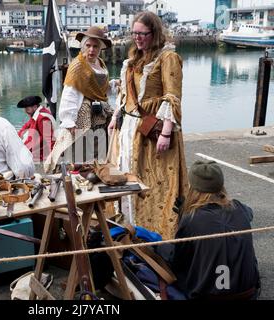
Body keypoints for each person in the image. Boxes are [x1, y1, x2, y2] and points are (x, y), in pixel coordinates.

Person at [108, 12, 188, 239]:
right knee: (128, 175)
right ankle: (129, 225)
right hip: (130, 129)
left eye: (143, 34)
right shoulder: (133, 59)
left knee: (154, 183)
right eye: (134, 33)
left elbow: (173, 96)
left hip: (153, 132)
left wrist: (165, 133)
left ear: (155, 33)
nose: (138, 38)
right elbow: (125, 95)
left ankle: (155, 233)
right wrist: (115, 117)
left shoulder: (167, 58)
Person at [171, 160, 260, 300]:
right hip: (248, 293)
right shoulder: (240, 208)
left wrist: (183, 215)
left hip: (207, 295)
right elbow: (248, 214)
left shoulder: (191, 219)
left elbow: (178, 259)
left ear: (193, 188)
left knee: (168, 256)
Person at [44, 26, 115, 172]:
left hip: (101, 115)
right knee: (81, 156)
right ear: (83, 45)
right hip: (83, 118)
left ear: (100, 48)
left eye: (95, 46)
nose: (91, 50)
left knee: (98, 154)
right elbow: (69, 94)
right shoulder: (77, 66)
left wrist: (114, 85)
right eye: (88, 45)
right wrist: (69, 121)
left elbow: (101, 88)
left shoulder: (100, 63)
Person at [17, 95, 56, 162]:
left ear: (35, 107)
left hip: (42, 154)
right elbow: (26, 127)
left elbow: (49, 140)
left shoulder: (43, 117)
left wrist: (52, 158)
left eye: (27, 109)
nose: (25, 111)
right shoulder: (37, 114)